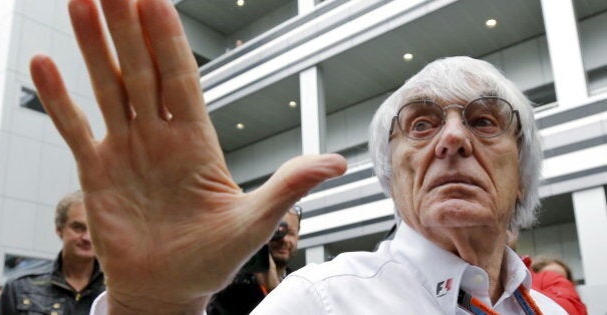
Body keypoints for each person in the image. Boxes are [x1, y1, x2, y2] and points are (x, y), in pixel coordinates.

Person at [29, 0, 565, 314]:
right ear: (391, 175)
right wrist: (151, 308)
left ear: (521, 174)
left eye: (483, 120)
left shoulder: (552, 311)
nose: (452, 139)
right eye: (420, 124)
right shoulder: (321, 301)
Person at [0, 191, 104, 314]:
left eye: (95, 229)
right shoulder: (21, 287)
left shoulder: (115, 291)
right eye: (78, 227)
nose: (87, 237)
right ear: (59, 229)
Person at [207, 206, 301, 315]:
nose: (283, 239)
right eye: (276, 231)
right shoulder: (231, 286)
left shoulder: (299, 283)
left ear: (298, 237)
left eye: (290, 233)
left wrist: (275, 290)